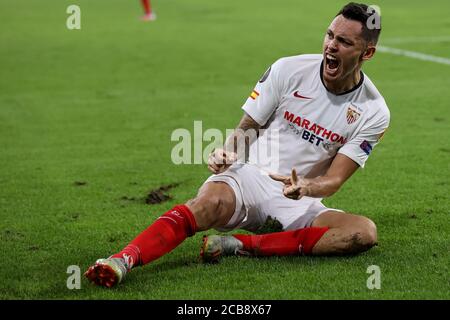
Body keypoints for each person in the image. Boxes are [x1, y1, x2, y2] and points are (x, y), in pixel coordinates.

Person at [85, 2, 389, 287]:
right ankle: (122, 260)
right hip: (249, 177)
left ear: (368, 53)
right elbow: (248, 126)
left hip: (297, 198)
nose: (331, 46)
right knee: (205, 203)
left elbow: (334, 180)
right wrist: (229, 150)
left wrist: (305, 189)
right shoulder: (289, 70)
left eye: (345, 42)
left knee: (362, 232)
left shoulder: (374, 111)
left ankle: (241, 245)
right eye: (329, 35)